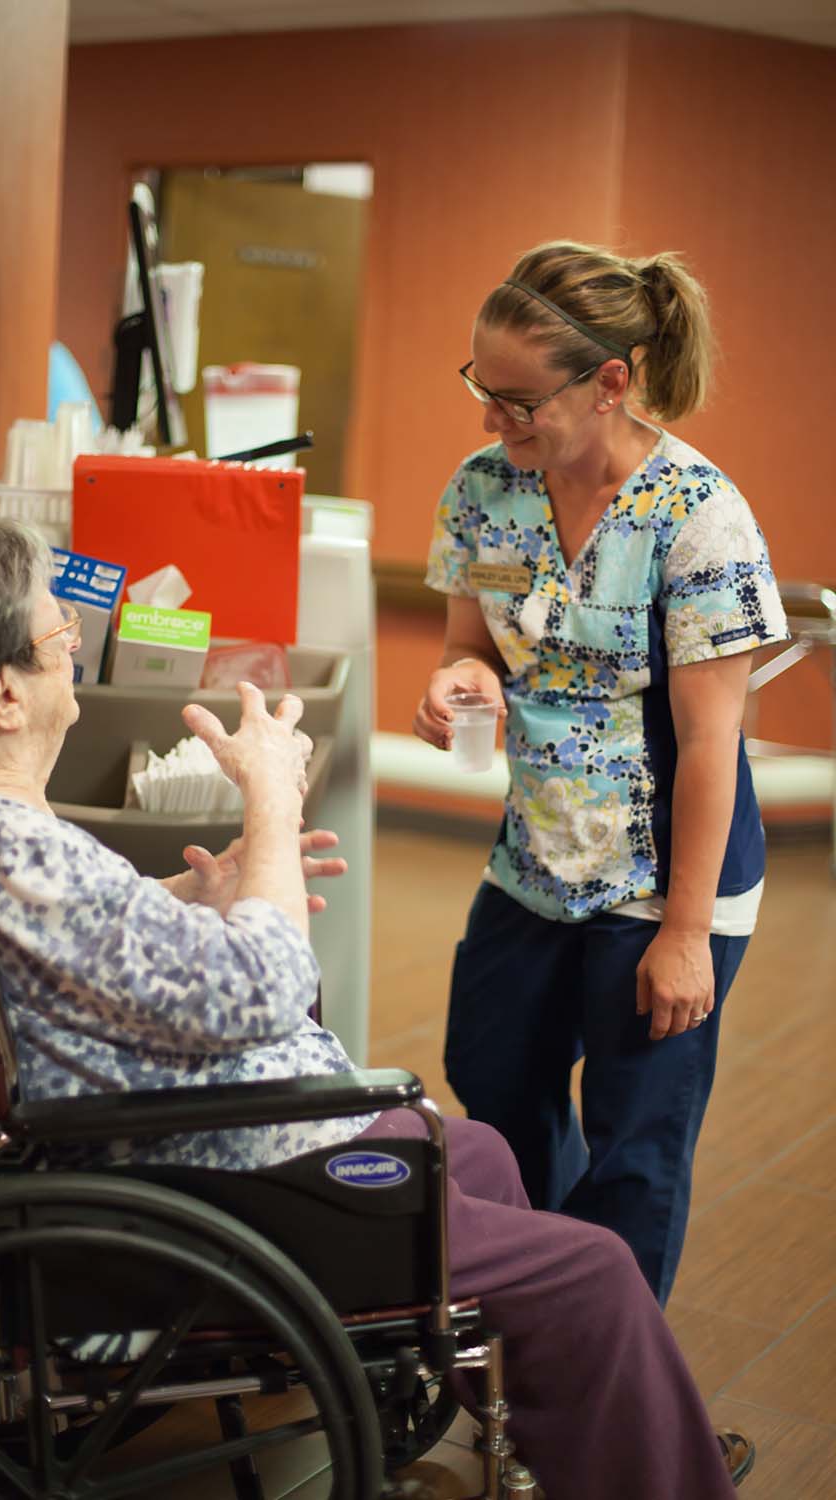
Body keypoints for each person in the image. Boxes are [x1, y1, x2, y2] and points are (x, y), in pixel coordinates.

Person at [0, 518, 753, 1498]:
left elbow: (52, 953)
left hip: (132, 1151)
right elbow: (266, 989)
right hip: (192, 1185)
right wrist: (271, 804)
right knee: (592, 1269)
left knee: (476, 1154)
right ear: (4, 694)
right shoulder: (11, 848)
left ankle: (559, 1416)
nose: (70, 630)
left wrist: (202, 892)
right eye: (54, 629)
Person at [415, 241, 788, 1309]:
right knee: (491, 1081)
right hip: (533, 857)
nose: (495, 421)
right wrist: (458, 684)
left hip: (663, 879)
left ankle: (610, 1398)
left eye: (520, 400)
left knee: (635, 1146)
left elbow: (713, 745)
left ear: (610, 380)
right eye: (481, 391)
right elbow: (469, 642)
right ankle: (554, 1300)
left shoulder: (697, 518)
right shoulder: (487, 490)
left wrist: (682, 935)